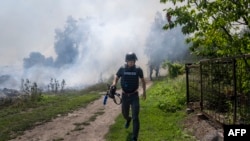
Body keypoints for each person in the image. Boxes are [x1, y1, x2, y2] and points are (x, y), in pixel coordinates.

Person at [112, 52, 146, 141]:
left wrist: (144, 92)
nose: (131, 62)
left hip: (134, 96)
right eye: (129, 61)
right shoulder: (122, 69)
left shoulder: (138, 70)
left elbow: (143, 80)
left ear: (135, 61)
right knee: (124, 114)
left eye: (133, 61)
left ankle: (134, 137)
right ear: (126, 61)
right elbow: (116, 76)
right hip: (125, 96)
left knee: (135, 117)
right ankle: (128, 119)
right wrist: (114, 84)